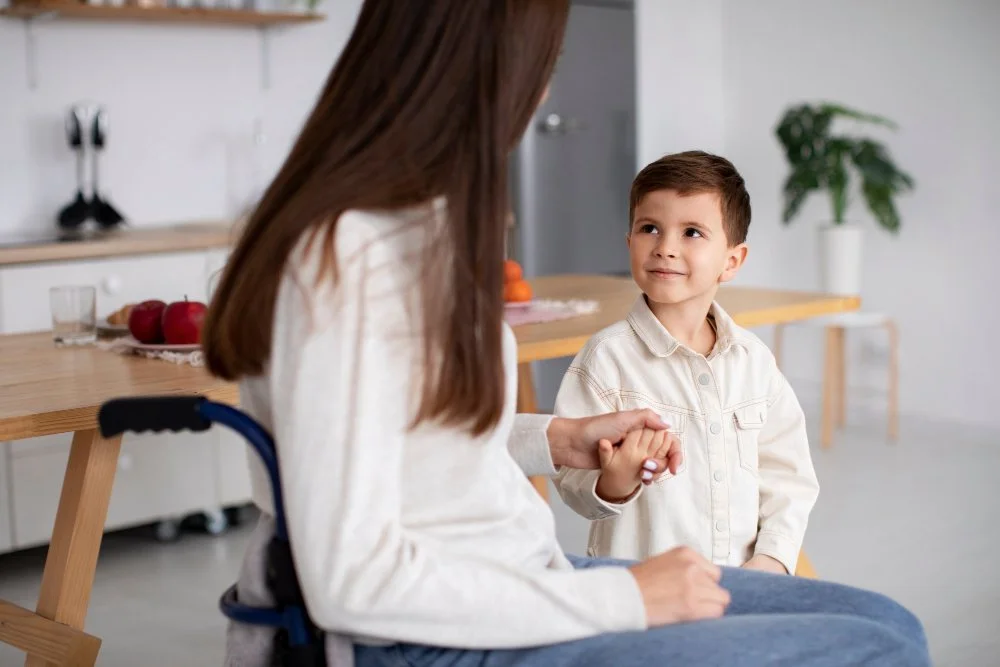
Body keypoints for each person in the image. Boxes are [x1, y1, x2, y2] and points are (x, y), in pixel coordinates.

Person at [203, 1, 929, 665]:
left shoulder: (423, 231)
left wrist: (552, 439)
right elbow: (351, 580)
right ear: (477, 68)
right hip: (430, 634)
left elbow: (408, 440)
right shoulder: (344, 258)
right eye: (540, 68)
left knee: (895, 625)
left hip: (515, 579)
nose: (543, 94)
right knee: (876, 652)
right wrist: (629, 597)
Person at [552, 151, 819, 576]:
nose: (665, 248)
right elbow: (571, 482)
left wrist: (772, 557)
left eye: (692, 232)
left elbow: (788, 474)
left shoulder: (754, 362)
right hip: (645, 594)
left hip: (744, 586)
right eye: (649, 228)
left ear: (732, 261)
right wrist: (613, 483)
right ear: (629, 243)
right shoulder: (606, 358)